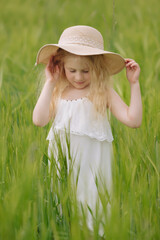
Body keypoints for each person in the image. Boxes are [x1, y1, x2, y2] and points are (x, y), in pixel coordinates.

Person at [33, 25, 142, 236]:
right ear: (61, 66)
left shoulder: (102, 92)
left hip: (92, 170)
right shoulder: (59, 92)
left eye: (86, 71)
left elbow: (133, 120)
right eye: (72, 70)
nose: (79, 77)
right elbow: (39, 120)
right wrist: (49, 82)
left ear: (98, 69)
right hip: (62, 168)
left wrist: (134, 84)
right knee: (63, 208)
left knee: (92, 211)